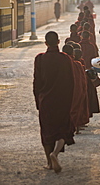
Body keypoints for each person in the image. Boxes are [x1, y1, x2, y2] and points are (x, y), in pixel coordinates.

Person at [33, 31, 74, 173]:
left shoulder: (40, 59)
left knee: (47, 132)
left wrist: (38, 100)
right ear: (59, 42)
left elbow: (36, 82)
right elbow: (71, 82)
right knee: (62, 128)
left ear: (46, 43)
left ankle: (49, 163)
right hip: (62, 100)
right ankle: (55, 153)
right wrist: (70, 101)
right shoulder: (65, 59)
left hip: (46, 100)